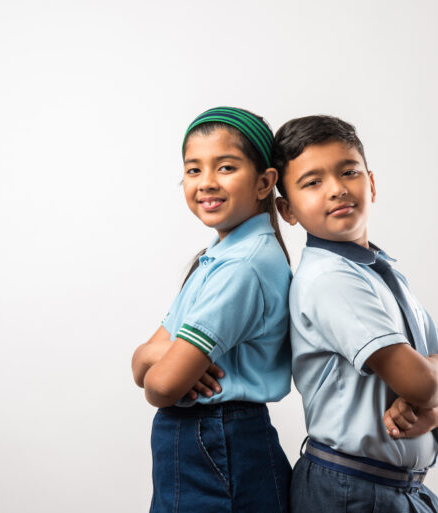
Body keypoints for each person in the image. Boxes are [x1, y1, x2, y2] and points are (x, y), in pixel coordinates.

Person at [272, 115, 438, 512]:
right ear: (287, 209)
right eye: (312, 182)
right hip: (352, 492)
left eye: (349, 172)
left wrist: (434, 416)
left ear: (372, 183)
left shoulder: (378, 272)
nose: (337, 189)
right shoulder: (331, 280)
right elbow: (427, 383)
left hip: (393, 490)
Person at [131, 107, 292, 513]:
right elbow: (140, 364)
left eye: (225, 167)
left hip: (219, 441)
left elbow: (160, 387)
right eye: (193, 170)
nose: (206, 183)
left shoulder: (242, 267)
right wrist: (166, 356)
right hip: (204, 441)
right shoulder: (218, 258)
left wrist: (164, 361)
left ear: (264, 183)